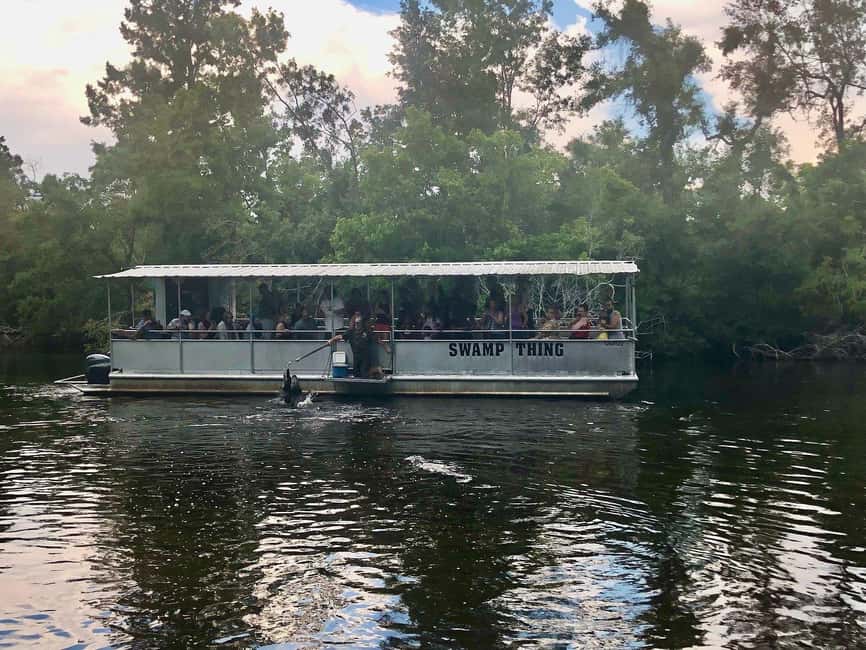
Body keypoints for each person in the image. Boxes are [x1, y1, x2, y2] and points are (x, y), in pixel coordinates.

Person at [327, 311, 386, 379]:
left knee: (364, 374)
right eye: (356, 323)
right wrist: (331, 340)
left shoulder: (366, 331)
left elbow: (376, 339)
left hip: (365, 357)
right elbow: (340, 336)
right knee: (356, 374)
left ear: (362, 323)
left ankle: (375, 372)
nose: (357, 325)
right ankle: (372, 373)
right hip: (356, 356)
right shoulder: (351, 332)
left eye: (359, 323)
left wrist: (386, 347)